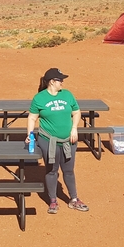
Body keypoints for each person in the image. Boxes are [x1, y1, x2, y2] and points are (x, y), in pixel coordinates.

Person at [27, 67, 88, 214]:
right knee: (52, 170)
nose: (63, 83)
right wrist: (29, 134)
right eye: (60, 80)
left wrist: (74, 128)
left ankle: (74, 199)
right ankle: (53, 200)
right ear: (52, 82)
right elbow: (32, 117)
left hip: (69, 140)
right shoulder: (39, 98)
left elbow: (76, 112)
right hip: (48, 140)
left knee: (69, 170)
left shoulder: (67, 95)